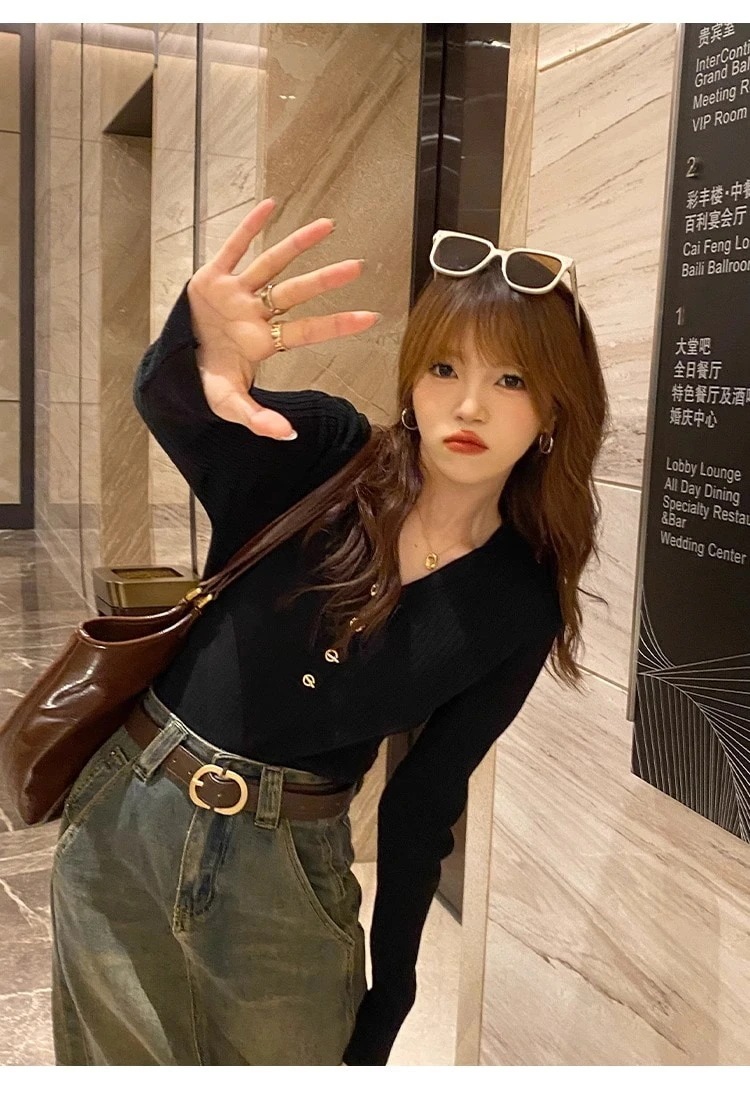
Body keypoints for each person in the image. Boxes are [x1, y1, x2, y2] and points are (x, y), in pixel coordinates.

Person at [49, 197, 610, 1067]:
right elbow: (182, 409)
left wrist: (389, 1003)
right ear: (413, 379)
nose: (468, 405)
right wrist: (197, 351)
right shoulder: (326, 452)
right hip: (131, 816)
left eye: (511, 380)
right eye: (444, 368)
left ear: (555, 411)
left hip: (288, 871)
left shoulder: (516, 604)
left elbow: (424, 803)